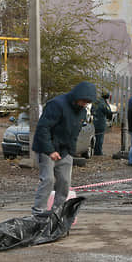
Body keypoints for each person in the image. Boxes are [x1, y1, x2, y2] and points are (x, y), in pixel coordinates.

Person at [31, 81, 97, 215]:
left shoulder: (82, 112)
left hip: (65, 151)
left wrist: (70, 153)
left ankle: (58, 212)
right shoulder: (56, 104)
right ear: (77, 96)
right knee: (48, 180)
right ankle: (39, 212)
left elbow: (75, 133)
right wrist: (50, 151)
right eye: (83, 101)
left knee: (65, 182)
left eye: (87, 102)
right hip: (47, 148)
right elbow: (43, 129)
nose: (85, 104)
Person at [91, 92, 113, 157]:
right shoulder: (103, 103)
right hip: (101, 122)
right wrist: (107, 104)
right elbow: (109, 112)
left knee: (95, 136)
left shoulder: (95, 102)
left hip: (94, 121)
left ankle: (94, 150)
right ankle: (98, 152)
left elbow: (91, 111)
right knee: (100, 137)